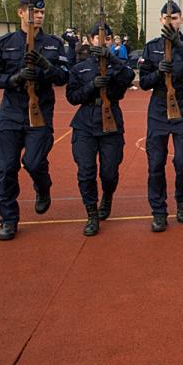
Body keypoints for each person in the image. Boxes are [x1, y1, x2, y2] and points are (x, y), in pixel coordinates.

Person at [0, 0, 70, 240]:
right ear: (20, 12)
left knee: (33, 162)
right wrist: (13, 79)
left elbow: (64, 77)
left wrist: (46, 66)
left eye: (41, 12)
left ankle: (43, 186)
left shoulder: (53, 44)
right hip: (10, 113)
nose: (38, 16)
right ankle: (8, 218)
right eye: (33, 12)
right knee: (6, 167)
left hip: (39, 112)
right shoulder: (6, 43)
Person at [138, 1, 183, 232]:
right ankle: (158, 211)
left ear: (181, 19)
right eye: (167, 18)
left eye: (175, 18)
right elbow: (144, 82)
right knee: (155, 163)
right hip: (158, 105)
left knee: (182, 161)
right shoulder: (152, 47)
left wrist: (179, 46)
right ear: (160, 20)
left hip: (182, 105)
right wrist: (158, 73)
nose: (171, 22)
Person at [66, 22, 135, 235]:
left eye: (104, 38)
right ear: (89, 39)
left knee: (109, 173)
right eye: (96, 37)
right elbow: (72, 97)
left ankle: (107, 196)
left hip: (111, 122)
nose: (100, 40)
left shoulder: (118, 66)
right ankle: (91, 214)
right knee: (86, 172)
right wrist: (91, 86)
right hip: (85, 123)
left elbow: (129, 77)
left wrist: (112, 58)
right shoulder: (80, 67)